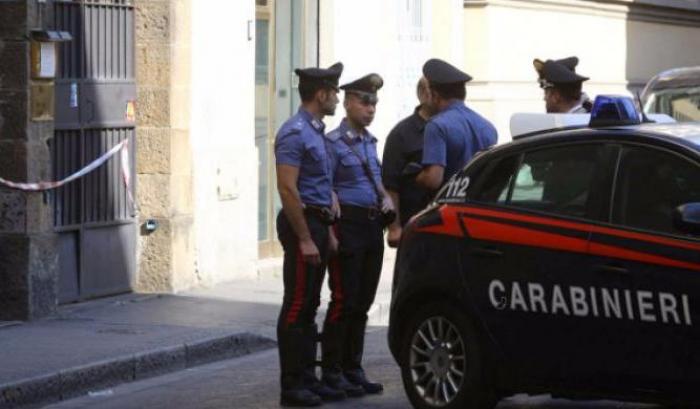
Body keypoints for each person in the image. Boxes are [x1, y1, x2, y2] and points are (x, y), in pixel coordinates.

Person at [274, 62, 346, 407]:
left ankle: (308, 377)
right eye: (334, 92)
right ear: (321, 94)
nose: (336, 98)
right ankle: (292, 383)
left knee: (311, 305)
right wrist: (304, 238)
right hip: (301, 222)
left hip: (318, 223)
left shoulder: (315, 131)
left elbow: (322, 186)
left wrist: (328, 231)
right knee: (297, 304)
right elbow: (288, 190)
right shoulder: (295, 132)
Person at [323, 73, 394, 397]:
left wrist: (386, 198)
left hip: (370, 226)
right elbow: (323, 183)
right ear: (348, 102)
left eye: (374, 102)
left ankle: (354, 368)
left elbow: (374, 178)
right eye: (365, 101)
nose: (371, 108)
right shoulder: (333, 143)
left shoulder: (369, 142)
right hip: (347, 225)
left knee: (363, 302)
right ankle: (332, 370)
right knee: (344, 300)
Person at [417, 58, 498, 190]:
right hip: (480, 205)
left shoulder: (437, 126)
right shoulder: (488, 127)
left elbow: (433, 180)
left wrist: (417, 176)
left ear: (435, 95)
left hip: (451, 207)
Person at [382, 77, 433, 247]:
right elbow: (390, 185)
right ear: (423, 94)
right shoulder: (401, 134)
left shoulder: (452, 127)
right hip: (414, 224)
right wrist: (394, 227)